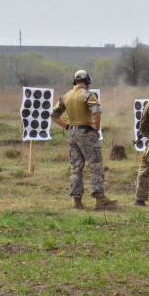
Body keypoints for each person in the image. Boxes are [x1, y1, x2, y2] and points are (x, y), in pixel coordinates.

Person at [52, 70, 117, 210]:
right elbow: (97, 112)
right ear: (87, 81)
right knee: (95, 165)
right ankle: (100, 200)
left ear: (75, 81)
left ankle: (77, 202)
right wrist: (96, 127)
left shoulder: (65, 96)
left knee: (76, 168)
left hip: (72, 133)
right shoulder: (88, 95)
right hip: (87, 132)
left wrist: (67, 126)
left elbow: (54, 115)